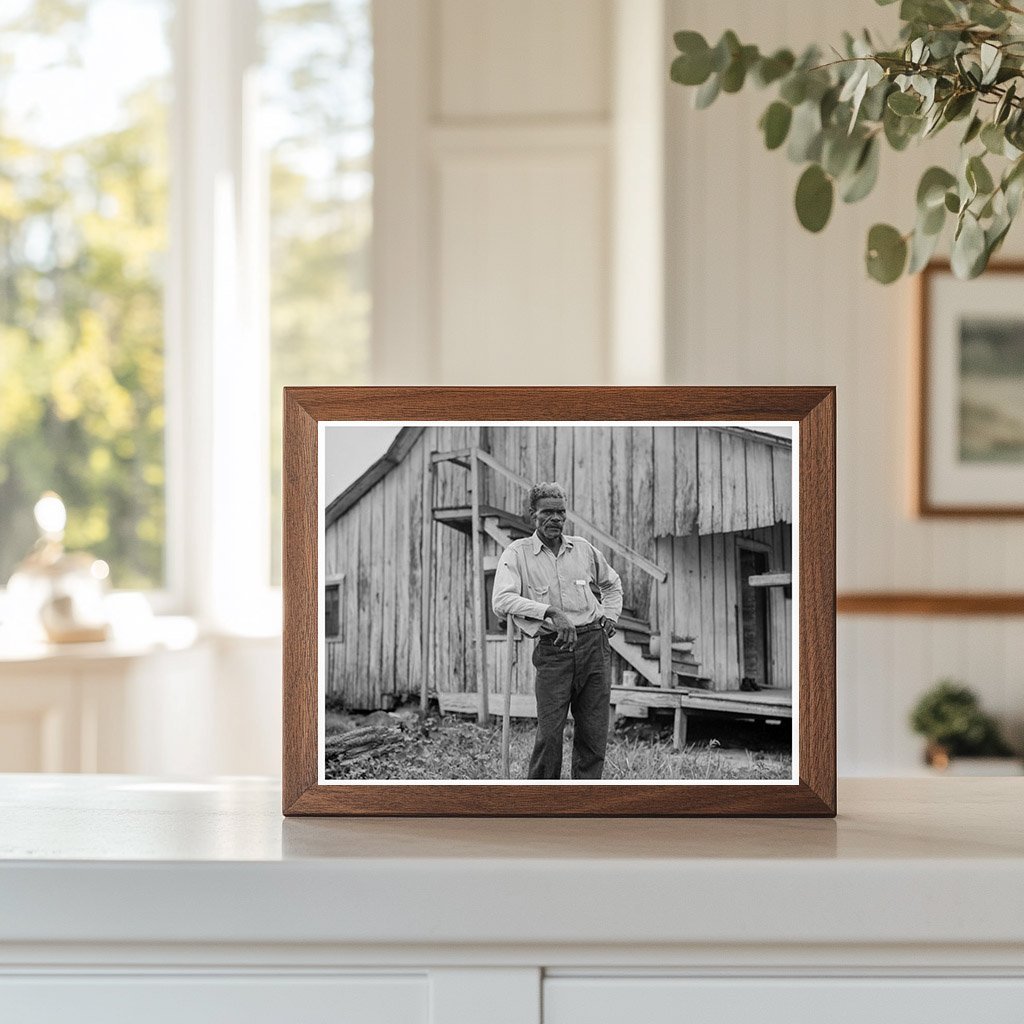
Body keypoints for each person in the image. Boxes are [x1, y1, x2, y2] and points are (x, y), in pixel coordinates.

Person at [491, 482, 623, 780]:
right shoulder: (518, 553)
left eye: (561, 512)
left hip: (593, 645)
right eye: (547, 512)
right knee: (549, 733)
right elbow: (501, 599)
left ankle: (583, 802)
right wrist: (550, 612)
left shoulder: (584, 549)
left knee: (593, 731)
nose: (555, 519)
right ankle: (541, 804)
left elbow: (611, 584)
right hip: (554, 650)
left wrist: (611, 615)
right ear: (532, 515)